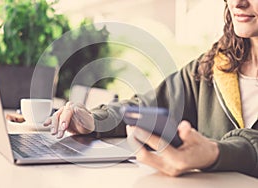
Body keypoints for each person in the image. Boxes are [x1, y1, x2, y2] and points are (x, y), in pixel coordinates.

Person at [31, 0, 258, 177]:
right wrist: (94, 119)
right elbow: (148, 106)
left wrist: (215, 153)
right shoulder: (214, 65)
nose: (237, 3)